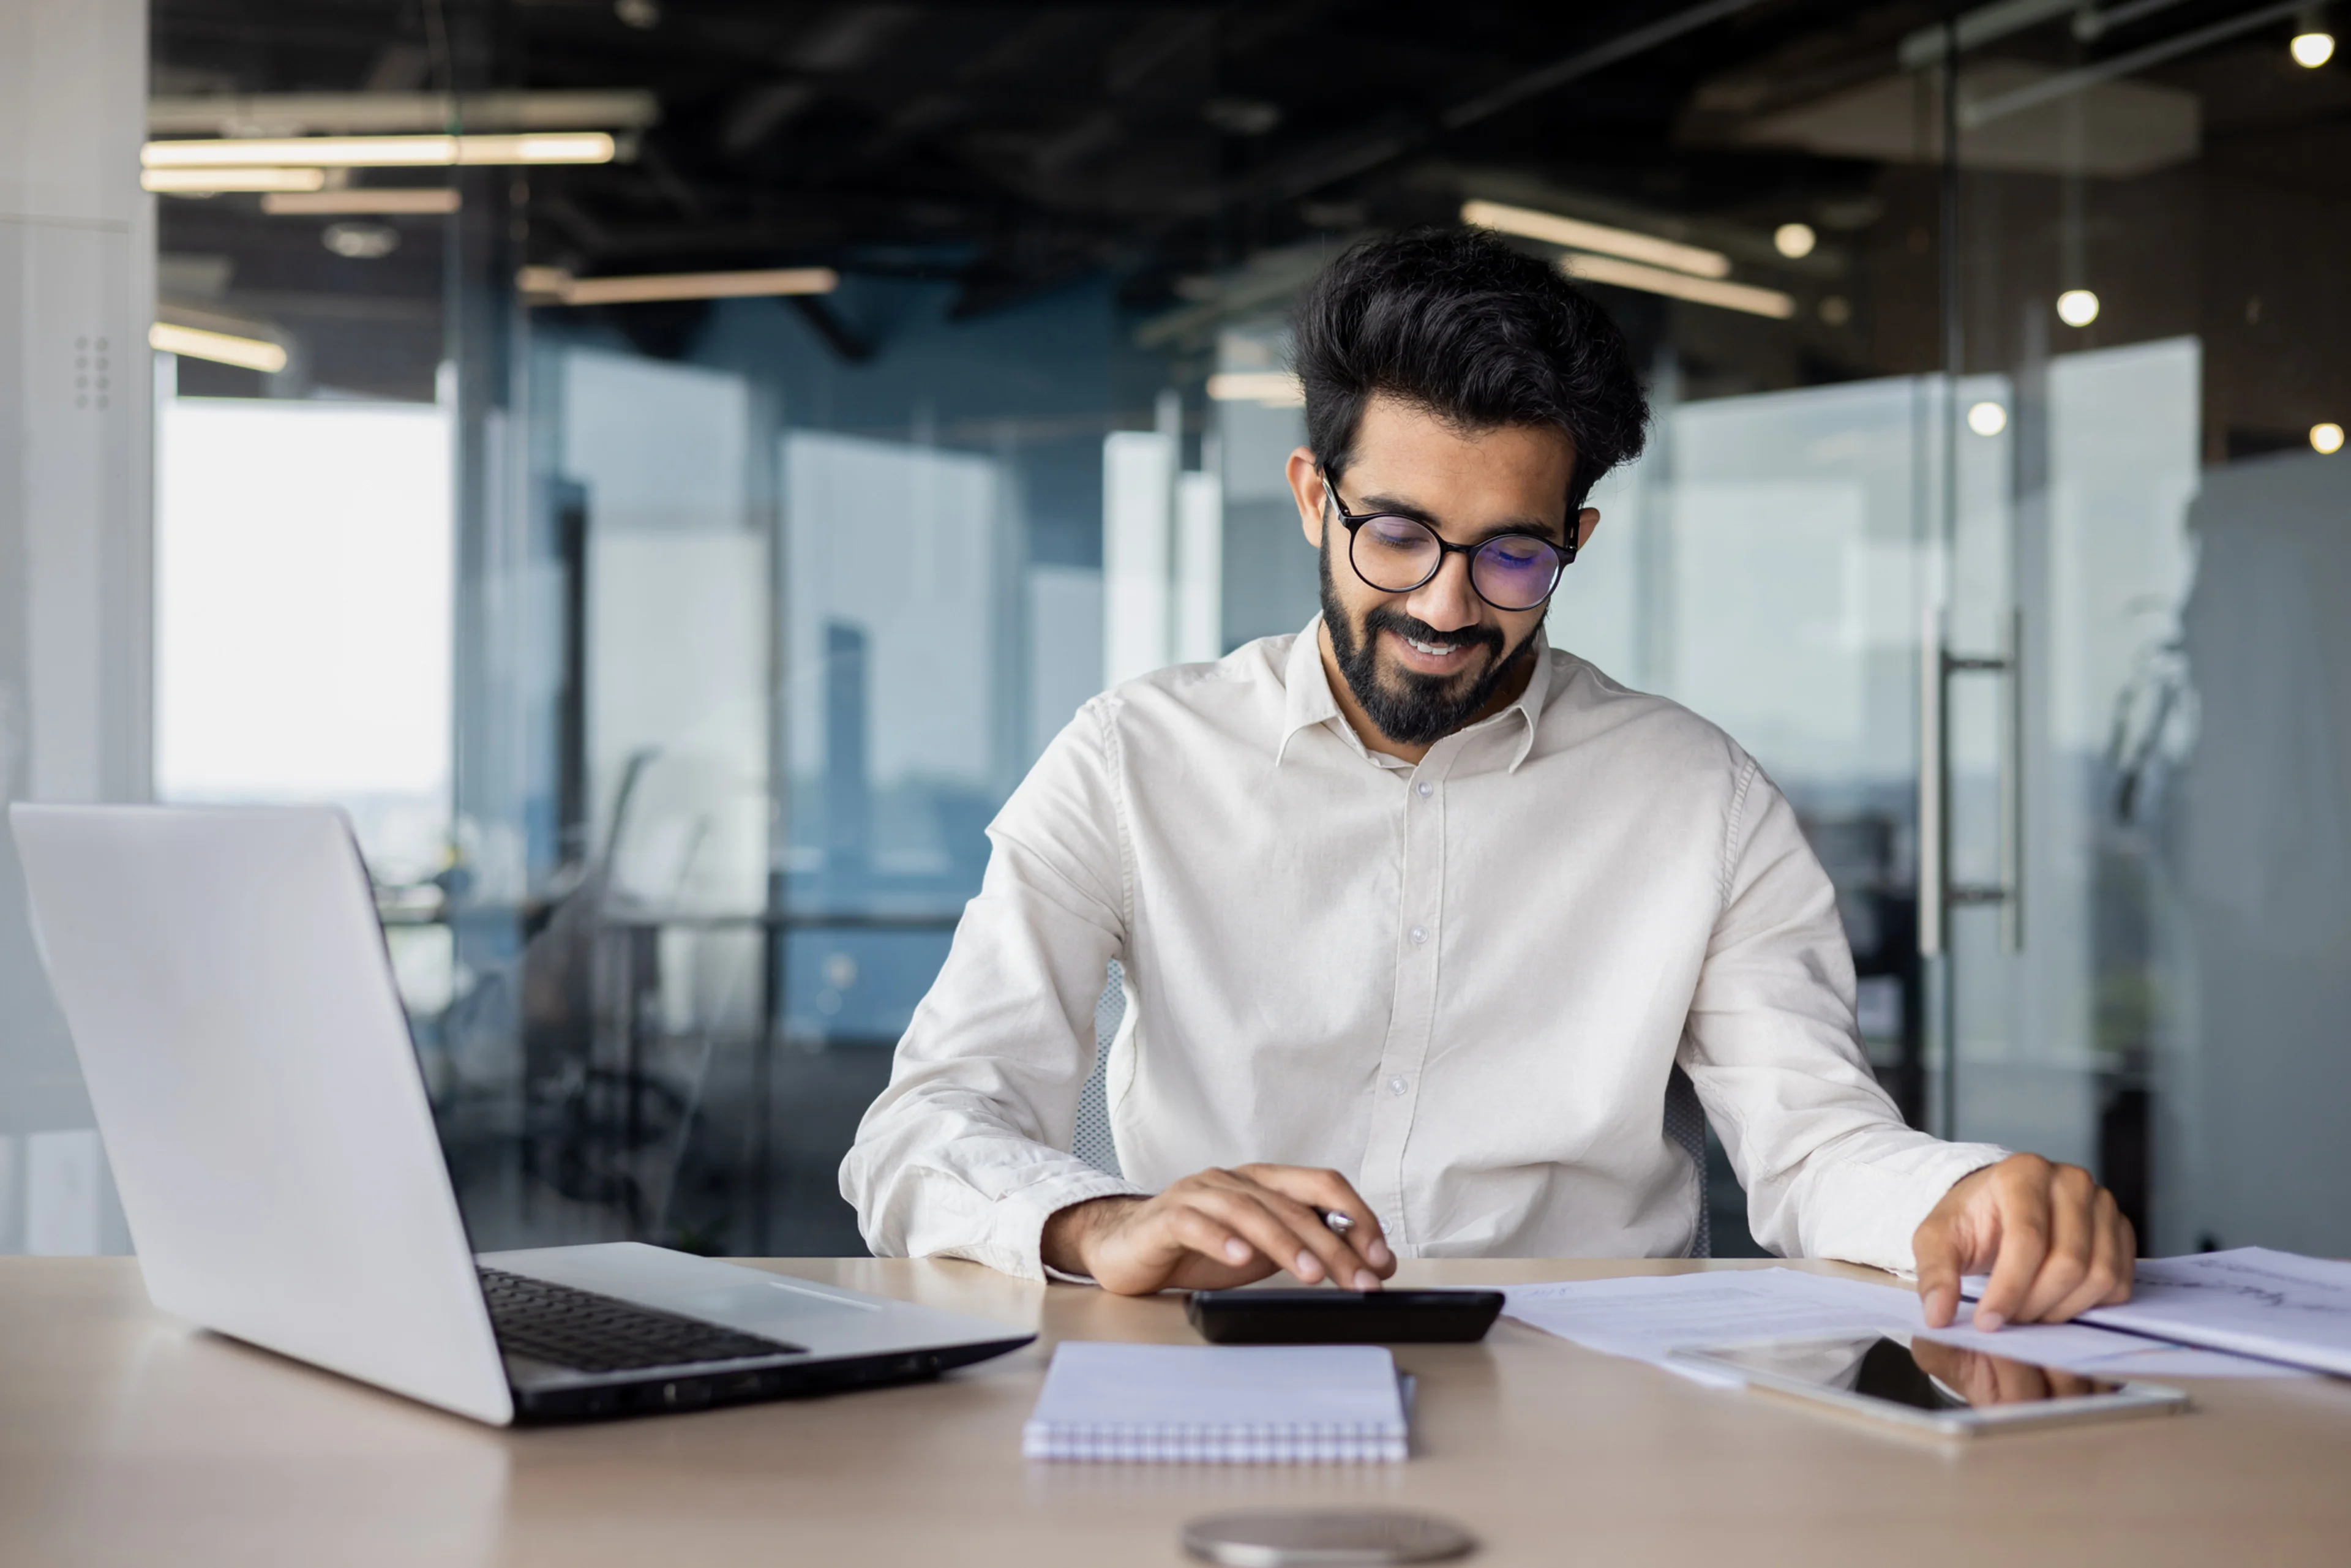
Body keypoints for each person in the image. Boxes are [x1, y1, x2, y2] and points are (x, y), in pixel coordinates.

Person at [840, 227, 2134, 1334]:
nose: (1445, 605)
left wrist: (1961, 1193)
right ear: (1313, 496)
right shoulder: (1133, 757)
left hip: (1596, 1393)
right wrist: (1098, 1220)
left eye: (1513, 554)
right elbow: (924, 1127)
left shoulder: (1699, 794)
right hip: (1224, 1370)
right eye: (1397, 534)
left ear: (1577, 538)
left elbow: (1815, 1147)